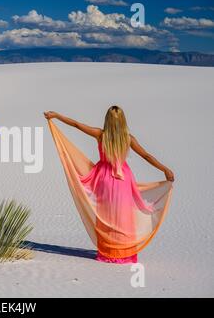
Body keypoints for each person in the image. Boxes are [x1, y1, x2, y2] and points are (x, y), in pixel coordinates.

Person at [44, 106, 174, 264]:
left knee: (107, 215)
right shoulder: (129, 138)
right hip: (123, 181)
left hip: (104, 179)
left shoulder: (101, 135)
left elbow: (77, 125)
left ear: (107, 120)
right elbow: (146, 156)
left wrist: (56, 115)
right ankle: (123, 253)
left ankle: (109, 252)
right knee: (123, 216)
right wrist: (164, 169)